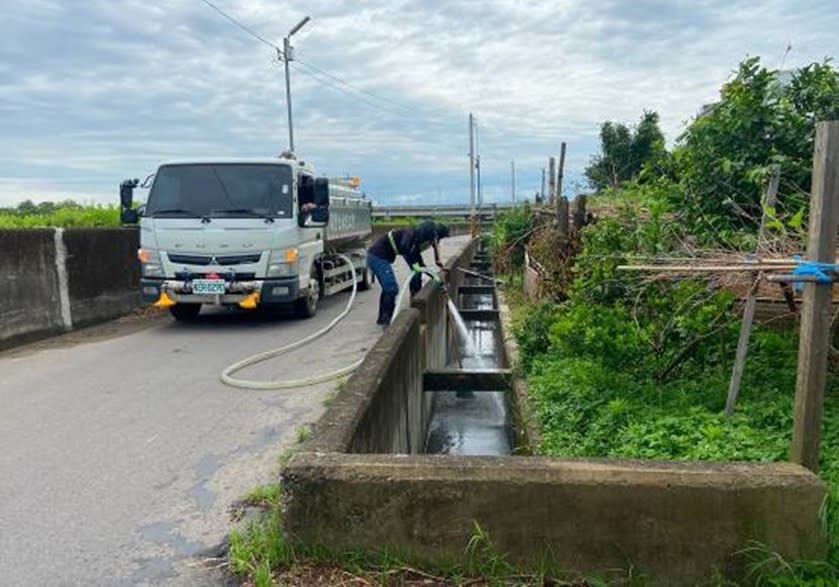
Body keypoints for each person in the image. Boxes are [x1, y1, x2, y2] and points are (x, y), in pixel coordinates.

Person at [367, 220, 450, 326]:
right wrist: (415, 264)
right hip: (377, 257)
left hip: (382, 257)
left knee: (391, 287)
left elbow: (421, 265)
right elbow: (405, 245)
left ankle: (383, 318)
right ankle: (386, 320)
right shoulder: (410, 234)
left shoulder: (417, 241)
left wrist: (435, 277)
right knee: (391, 288)